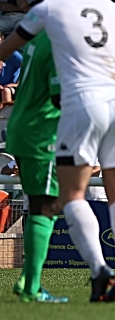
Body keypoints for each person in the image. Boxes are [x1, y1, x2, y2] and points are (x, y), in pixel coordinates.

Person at [0, 0, 115, 302]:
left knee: (69, 195)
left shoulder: (49, 11)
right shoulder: (113, 8)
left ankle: (99, 268)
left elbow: (12, 46)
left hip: (80, 105)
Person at [6, 31, 67, 303]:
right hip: (41, 134)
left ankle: (26, 280)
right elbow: (60, 99)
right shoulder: (59, 46)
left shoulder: (38, 40)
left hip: (21, 128)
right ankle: (31, 286)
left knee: (43, 205)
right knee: (46, 205)